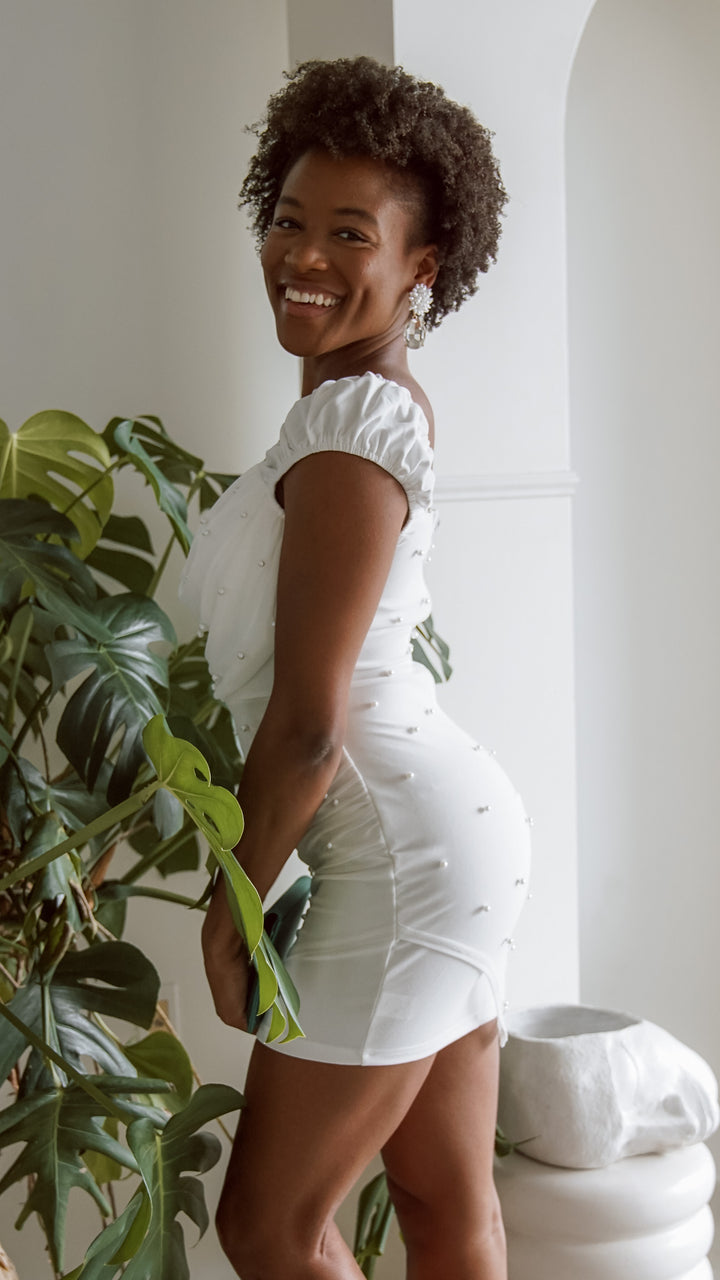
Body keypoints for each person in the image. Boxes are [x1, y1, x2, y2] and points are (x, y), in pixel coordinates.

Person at [180, 55, 531, 1280]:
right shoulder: (358, 407)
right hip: (447, 835)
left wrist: (231, 909)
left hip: (396, 853)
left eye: (350, 233)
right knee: (445, 1209)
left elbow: (309, 727)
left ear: (421, 266)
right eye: (288, 219)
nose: (304, 256)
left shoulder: (351, 422)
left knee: (269, 1226)